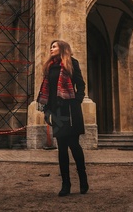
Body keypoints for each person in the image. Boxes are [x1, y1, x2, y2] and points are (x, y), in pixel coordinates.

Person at [37, 39, 89, 197]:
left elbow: (81, 85)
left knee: (74, 145)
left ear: (62, 48)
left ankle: (83, 179)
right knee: (61, 149)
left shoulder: (72, 63)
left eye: (54, 46)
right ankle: (65, 184)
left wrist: (77, 100)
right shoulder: (50, 66)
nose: (51, 49)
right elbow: (48, 90)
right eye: (51, 47)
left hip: (71, 110)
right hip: (57, 112)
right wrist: (46, 110)